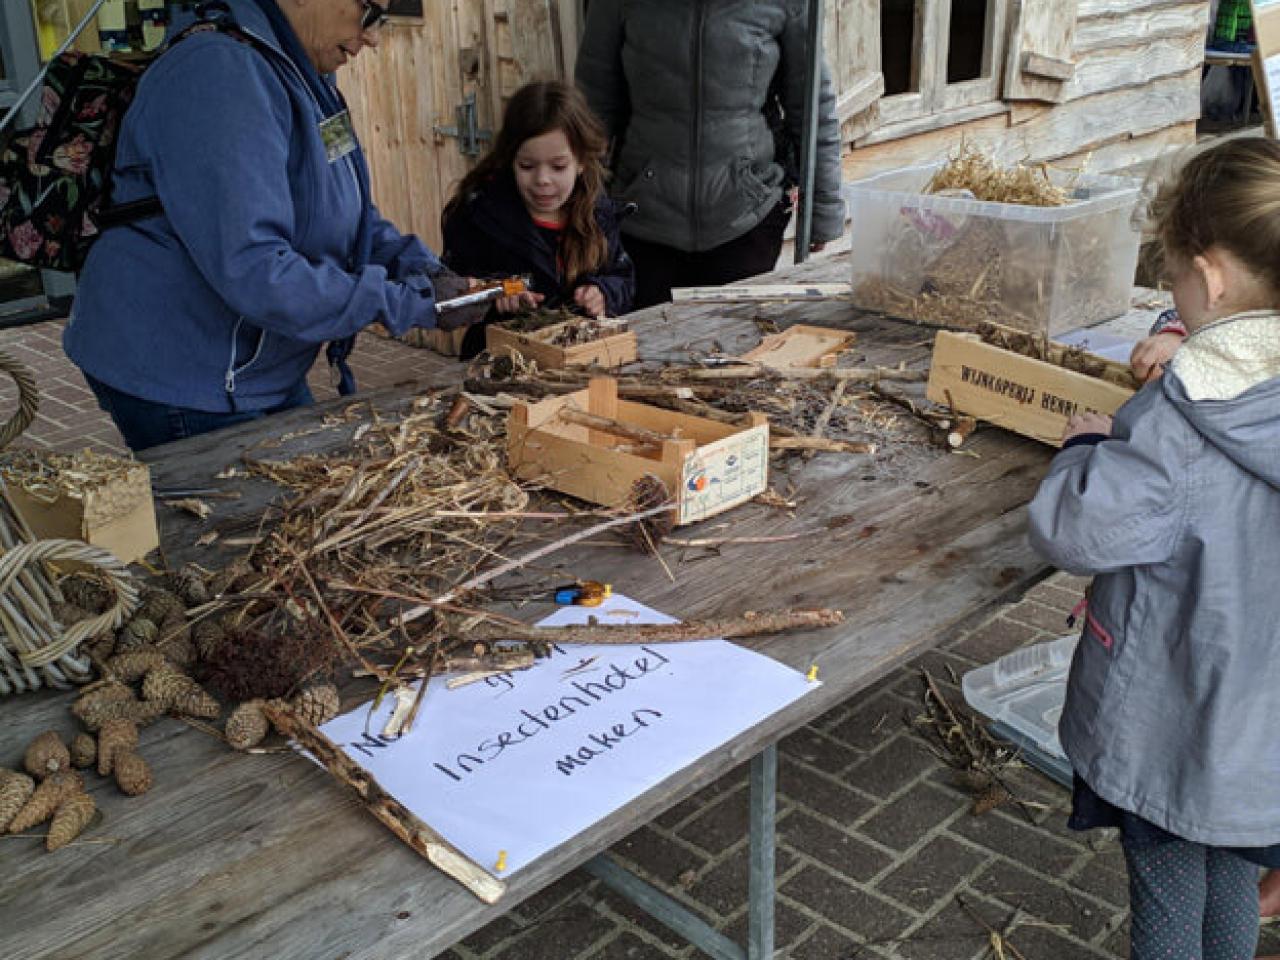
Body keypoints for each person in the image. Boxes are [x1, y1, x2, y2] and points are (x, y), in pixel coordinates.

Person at [1027, 137, 1280, 960]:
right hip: (1261, 739)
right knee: (1233, 876)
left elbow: (1076, 530)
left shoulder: (1179, 421)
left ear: (1208, 278)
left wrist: (1084, 451)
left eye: (1170, 277)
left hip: (1175, 726)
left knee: (1168, 890)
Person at [63, 0, 485, 452]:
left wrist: (422, 270)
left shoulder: (303, 72)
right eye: (370, 11)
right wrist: (407, 302)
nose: (374, 36)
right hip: (185, 372)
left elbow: (347, 214)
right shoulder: (217, 74)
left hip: (251, 364)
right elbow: (257, 271)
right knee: (254, 518)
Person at [574, 0, 846, 309]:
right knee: (649, 345)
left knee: (735, 344)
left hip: (746, 216)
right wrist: (584, 214)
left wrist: (823, 211)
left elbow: (812, 110)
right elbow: (593, 111)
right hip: (643, 216)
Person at [440, 80, 635, 358]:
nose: (543, 180)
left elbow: (623, 277)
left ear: (581, 160)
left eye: (558, 166)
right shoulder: (478, 214)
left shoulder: (598, 213)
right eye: (527, 166)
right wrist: (494, 293)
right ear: (510, 159)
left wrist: (603, 292)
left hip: (580, 361)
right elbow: (449, 294)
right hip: (498, 365)